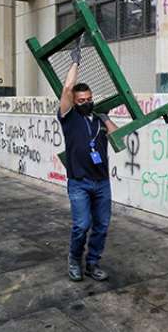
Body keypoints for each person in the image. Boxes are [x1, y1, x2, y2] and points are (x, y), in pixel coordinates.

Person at [58, 36, 118, 282]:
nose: (85, 103)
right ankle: (75, 259)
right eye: (81, 100)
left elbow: (117, 135)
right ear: (74, 101)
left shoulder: (97, 119)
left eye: (88, 100)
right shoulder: (69, 117)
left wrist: (103, 117)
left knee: (102, 226)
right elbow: (66, 89)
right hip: (79, 182)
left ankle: (93, 263)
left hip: (102, 182)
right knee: (82, 225)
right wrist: (75, 61)